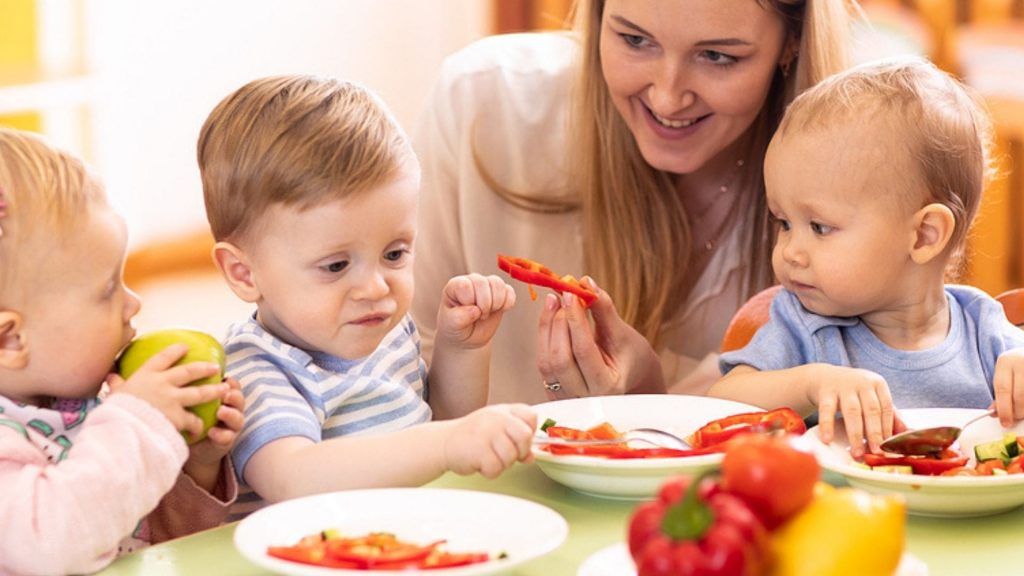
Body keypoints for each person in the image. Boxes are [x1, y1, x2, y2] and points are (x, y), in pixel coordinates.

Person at [411, 0, 858, 404]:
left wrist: (644, 397)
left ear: (791, 41)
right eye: (635, 40)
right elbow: (404, 377)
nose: (667, 96)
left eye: (718, 56)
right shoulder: (481, 102)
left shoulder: (865, 164)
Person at [197, 75, 538, 517]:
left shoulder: (383, 333)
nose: (376, 288)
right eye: (336, 266)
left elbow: (437, 424)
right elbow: (293, 478)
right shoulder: (256, 368)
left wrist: (463, 349)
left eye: (394, 253)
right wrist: (447, 443)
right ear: (244, 274)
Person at [708, 57, 1024, 458]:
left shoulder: (983, 326)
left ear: (925, 235)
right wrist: (811, 384)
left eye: (819, 227)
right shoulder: (804, 326)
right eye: (784, 223)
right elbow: (721, 402)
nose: (790, 252)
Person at [0, 128, 243, 575]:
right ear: (11, 340)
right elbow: (56, 544)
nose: (134, 304)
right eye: (108, 289)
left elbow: (139, 541)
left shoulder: (85, 406)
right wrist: (140, 424)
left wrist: (194, 463)